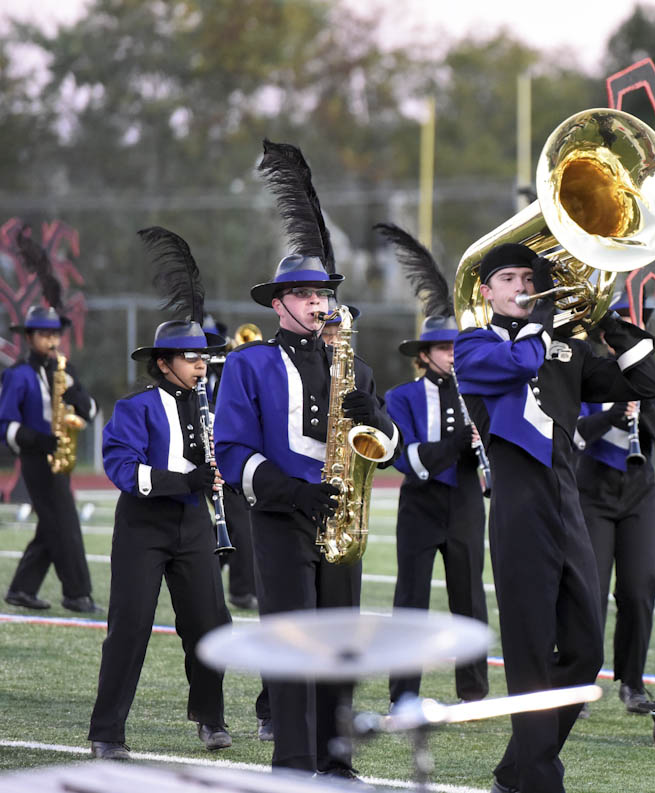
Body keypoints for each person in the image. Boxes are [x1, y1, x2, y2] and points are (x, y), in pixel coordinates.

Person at [215, 140, 399, 775]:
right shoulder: (249, 363)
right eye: (306, 295)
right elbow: (231, 449)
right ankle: (293, 764)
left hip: (340, 520)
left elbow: (384, 448)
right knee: (293, 646)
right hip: (281, 518)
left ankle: (337, 759)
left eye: (325, 294)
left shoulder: (356, 365)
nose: (320, 304)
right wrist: (291, 492)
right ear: (279, 303)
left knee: (339, 647)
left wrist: (379, 418)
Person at [454, 243, 655, 793]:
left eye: (531, 277)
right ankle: (541, 781)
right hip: (518, 510)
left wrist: (607, 320)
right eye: (509, 278)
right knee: (528, 655)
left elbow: (647, 385)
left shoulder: (565, 350)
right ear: (486, 291)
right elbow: (522, 360)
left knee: (585, 652)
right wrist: (547, 323)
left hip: (567, 504)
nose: (523, 286)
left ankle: (514, 770)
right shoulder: (471, 346)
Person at [88, 227, 232, 760]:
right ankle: (107, 732)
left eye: (204, 358)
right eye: (193, 358)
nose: (202, 365)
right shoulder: (136, 407)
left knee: (209, 624)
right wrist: (181, 481)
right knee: (129, 627)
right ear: (165, 362)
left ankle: (211, 718)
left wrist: (217, 478)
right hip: (143, 527)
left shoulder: (206, 406)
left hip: (194, 524)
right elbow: (121, 469)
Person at [377, 222, 489, 706]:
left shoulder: (478, 392)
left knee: (469, 598)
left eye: (458, 347)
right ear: (425, 354)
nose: (454, 355)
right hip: (420, 505)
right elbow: (411, 460)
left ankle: (474, 690)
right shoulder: (400, 397)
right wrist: (462, 439)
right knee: (411, 601)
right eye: (446, 348)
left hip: (465, 501)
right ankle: (404, 693)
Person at [575, 296, 655, 712]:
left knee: (641, 584)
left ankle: (632, 680)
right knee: (590, 590)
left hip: (640, 491)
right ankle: (579, 681)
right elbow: (574, 437)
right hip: (593, 491)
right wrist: (612, 415)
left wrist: (646, 414)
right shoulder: (587, 371)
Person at [1, 230, 100, 614]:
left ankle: (20, 589)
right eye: (43, 334)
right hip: (36, 459)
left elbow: (89, 410)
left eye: (55, 334)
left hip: (61, 455)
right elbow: (5, 425)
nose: (52, 340)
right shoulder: (18, 375)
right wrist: (39, 442)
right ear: (29, 338)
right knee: (65, 524)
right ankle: (78, 594)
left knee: (51, 527)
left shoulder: (65, 368)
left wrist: (75, 396)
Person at [203, 315, 259, 612]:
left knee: (232, 527)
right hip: (207, 463)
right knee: (240, 524)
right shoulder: (195, 375)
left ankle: (202, 570)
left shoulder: (227, 369)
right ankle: (240, 590)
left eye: (215, 344)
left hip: (233, 460)